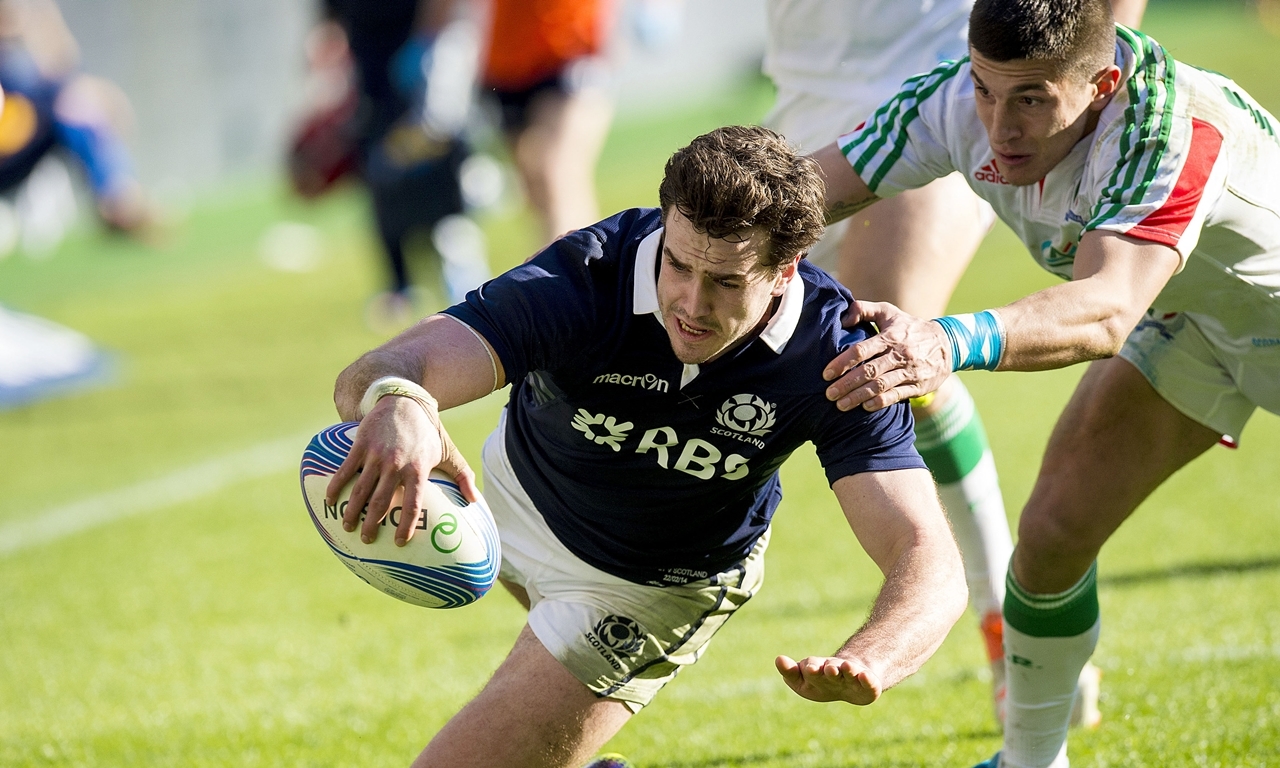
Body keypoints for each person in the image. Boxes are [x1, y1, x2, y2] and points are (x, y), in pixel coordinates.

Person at [326, 125, 969, 768]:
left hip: (652, 584)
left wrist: (872, 655)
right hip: (511, 499)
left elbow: (927, 559)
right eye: (678, 264)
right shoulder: (585, 279)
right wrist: (397, 398)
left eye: (725, 282)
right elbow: (396, 362)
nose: (690, 304)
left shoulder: (834, 356)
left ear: (784, 271)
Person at [810, 0, 1280, 765]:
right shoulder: (948, 102)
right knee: (1054, 533)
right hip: (1194, 322)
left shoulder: (1172, 128)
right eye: (987, 90)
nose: (1000, 125)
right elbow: (810, 190)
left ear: (1102, 84)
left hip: (1240, 309)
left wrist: (944, 339)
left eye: (1031, 98)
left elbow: (1104, 311)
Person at [762, 0, 1146, 726]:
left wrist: (1103, 80)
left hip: (944, 72)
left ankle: (1003, 620)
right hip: (801, 86)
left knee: (878, 341)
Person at [301, 0, 490, 325]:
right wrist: (325, 83)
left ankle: (461, 273)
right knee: (379, 178)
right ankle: (398, 285)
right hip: (370, 77)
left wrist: (429, 46)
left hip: (420, 64)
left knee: (435, 168)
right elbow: (330, 25)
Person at [0, 0, 154, 250]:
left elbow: (67, 74)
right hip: (7, 153)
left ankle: (119, 200)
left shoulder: (25, 50)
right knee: (72, 104)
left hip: (28, 141)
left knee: (76, 109)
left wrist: (43, 18)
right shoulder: (12, 65)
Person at [479, 0, 616, 245]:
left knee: (557, 170)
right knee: (534, 189)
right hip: (507, 60)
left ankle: (576, 275)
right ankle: (573, 267)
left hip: (570, 49)